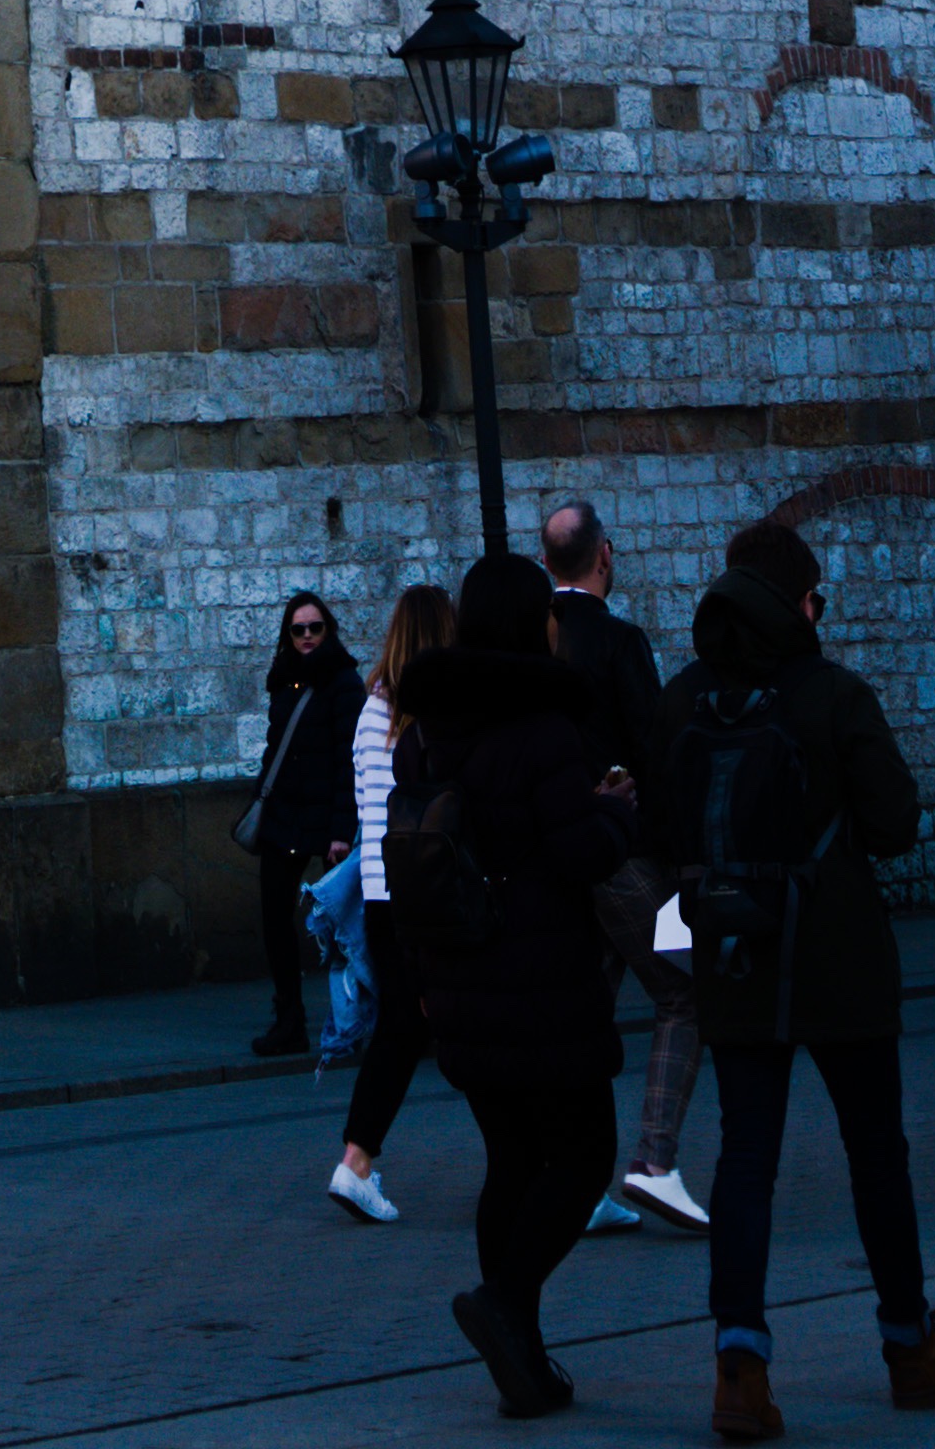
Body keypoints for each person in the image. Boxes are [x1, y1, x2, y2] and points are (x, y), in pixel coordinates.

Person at [654, 515, 935, 1441]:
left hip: (733, 954)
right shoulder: (834, 693)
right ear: (799, 602)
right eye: (816, 597)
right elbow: (894, 824)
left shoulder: (682, 697)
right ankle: (908, 1346)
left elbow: (662, 829)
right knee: (877, 1154)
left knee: (746, 1159)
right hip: (838, 954)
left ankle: (739, 1367)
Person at [382, 553, 642, 1417]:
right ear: (537, 624)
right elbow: (577, 854)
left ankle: (522, 1363)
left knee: (510, 1160)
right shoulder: (543, 728)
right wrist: (614, 811)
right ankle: (505, 1307)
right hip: (538, 981)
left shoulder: (422, 733)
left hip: (458, 977)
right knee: (582, 1154)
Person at [540, 493, 705, 1229]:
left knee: (583, 1011)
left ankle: (568, 1176)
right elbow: (653, 749)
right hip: (623, 853)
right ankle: (653, 1162)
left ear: (549, 562)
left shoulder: (531, 643)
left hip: (554, 854)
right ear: (605, 555)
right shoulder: (618, 642)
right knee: (684, 994)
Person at [332, 580, 458, 1223]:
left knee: (406, 1027)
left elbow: (365, 809)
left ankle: (357, 1159)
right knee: (453, 1023)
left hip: (383, 891)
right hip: (434, 893)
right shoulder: (441, 714)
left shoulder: (370, 709)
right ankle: (546, 1165)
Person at [249, 591, 362, 1059]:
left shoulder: (344, 682)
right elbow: (276, 747)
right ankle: (289, 1019)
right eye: (299, 629)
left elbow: (347, 761)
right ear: (288, 634)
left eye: (316, 628)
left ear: (327, 629)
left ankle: (358, 1017)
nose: (308, 636)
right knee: (275, 916)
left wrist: (341, 829)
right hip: (285, 818)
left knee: (348, 922)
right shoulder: (283, 680)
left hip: (325, 818)